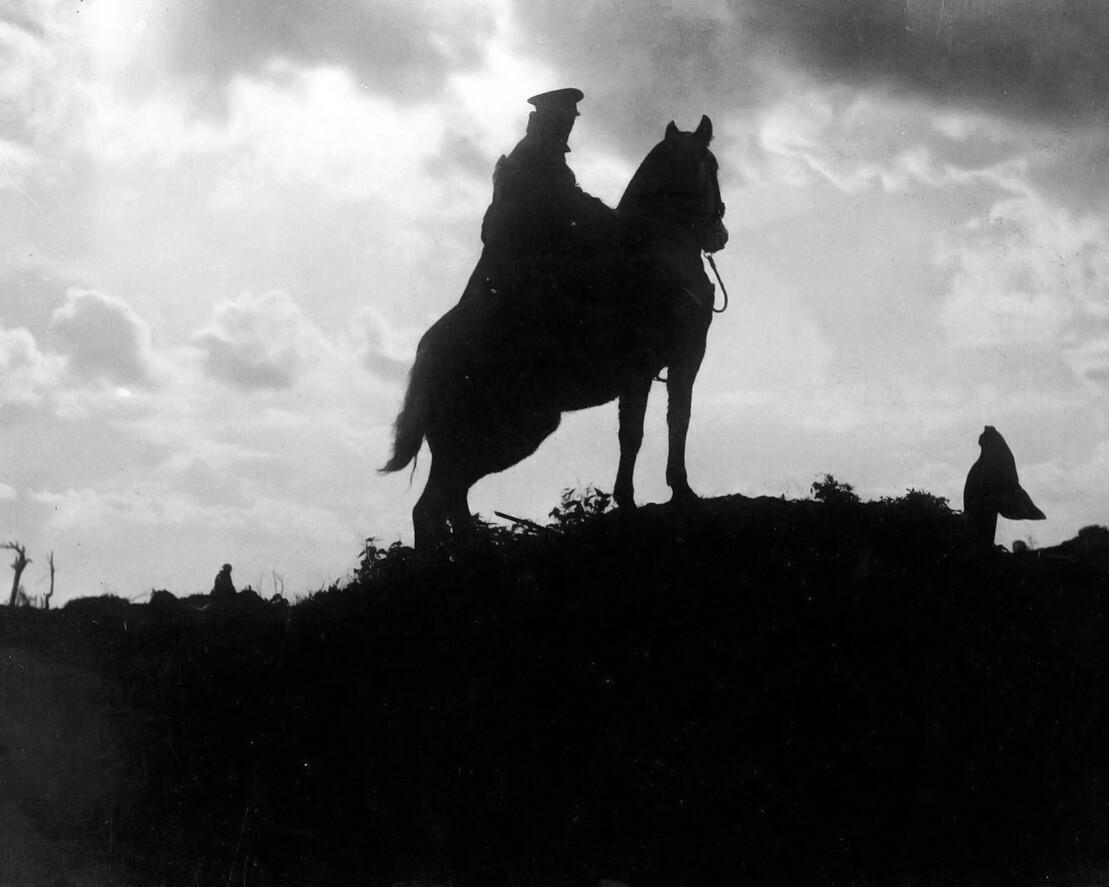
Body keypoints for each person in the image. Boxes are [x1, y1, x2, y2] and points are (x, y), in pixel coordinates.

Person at [462, 88, 616, 304]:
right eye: (566, 116)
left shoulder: (544, 149)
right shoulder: (538, 150)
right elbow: (564, 198)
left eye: (572, 118)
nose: (570, 124)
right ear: (552, 117)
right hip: (526, 257)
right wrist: (613, 218)